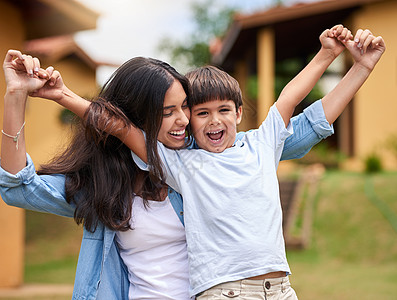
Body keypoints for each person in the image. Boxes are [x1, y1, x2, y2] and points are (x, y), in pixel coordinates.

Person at [0, 27, 348, 299]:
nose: (184, 120)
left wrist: (354, 66)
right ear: (138, 118)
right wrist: (16, 95)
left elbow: (295, 131)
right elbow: (18, 186)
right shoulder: (105, 185)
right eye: (168, 112)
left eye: (186, 106)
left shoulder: (209, 156)